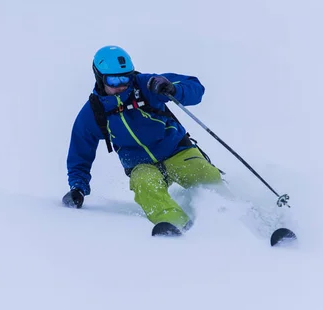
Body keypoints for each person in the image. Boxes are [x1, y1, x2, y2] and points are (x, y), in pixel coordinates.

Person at [63, 45, 223, 236]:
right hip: (141, 164)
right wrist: (78, 187)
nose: (122, 84)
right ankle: (174, 224)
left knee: (203, 173)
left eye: (126, 77)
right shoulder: (94, 111)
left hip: (176, 150)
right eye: (114, 79)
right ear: (99, 77)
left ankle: (231, 211)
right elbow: (80, 150)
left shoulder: (147, 84)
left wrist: (172, 88)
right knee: (145, 184)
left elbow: (196, 88)